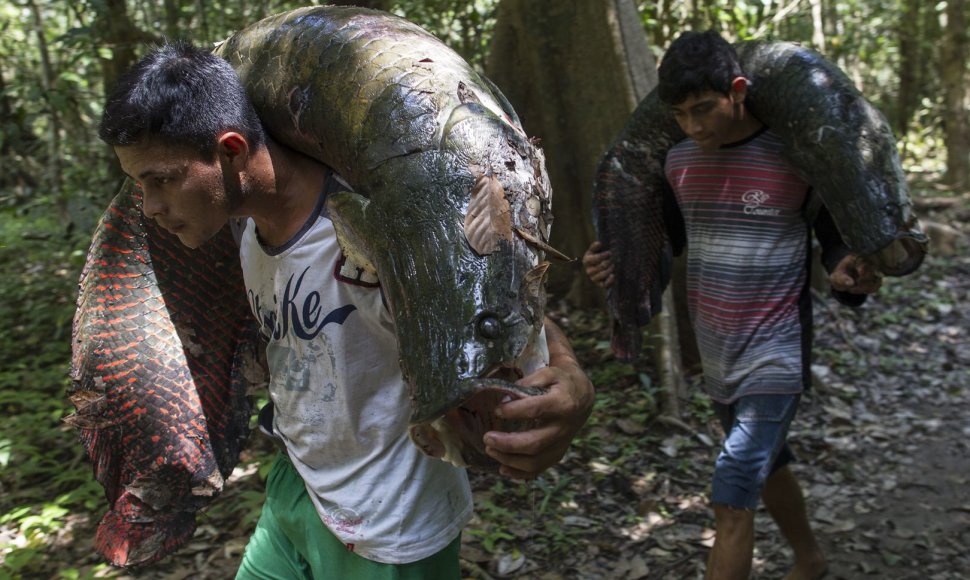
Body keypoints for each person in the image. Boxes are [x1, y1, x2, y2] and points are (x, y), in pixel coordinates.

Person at [99, 41, 594, 579]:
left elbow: (499, 312)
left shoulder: (379, 230)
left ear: (232, 150)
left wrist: (570, 375)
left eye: (162, 180)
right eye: (140, 185)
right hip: (296, 490)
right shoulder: (243, 229)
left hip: (391, 529)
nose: (150, 207)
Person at [584, 30, 882, 580]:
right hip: (718, 351)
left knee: (732, 490)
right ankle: (810, 559)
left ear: (737, 91)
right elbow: (664, 245)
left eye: (704, 109)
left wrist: (845, 270)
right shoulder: (676, 162)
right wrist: (617, 267)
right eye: (680, 114)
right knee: (769, 464)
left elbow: (834, 238)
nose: (695, 127)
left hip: (776, 350)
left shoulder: (796, 154)